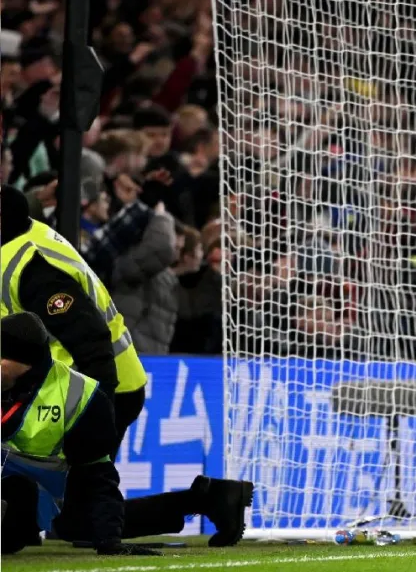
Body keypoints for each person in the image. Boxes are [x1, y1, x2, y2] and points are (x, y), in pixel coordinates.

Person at [1, 186, 253, 546]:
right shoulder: (19, 242)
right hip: (83, 384)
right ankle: (212, 499)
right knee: (77, 520)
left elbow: (90, 338)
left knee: (81, 521)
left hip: (98, 388)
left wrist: (94, 408)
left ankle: (210, 500)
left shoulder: (30, 267)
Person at [1, 312, 158, 556]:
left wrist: (110, 540)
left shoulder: (79, 398)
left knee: (73, 524)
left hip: (29, 499)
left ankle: (199, 500)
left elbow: (98, 475)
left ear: (24, 360)